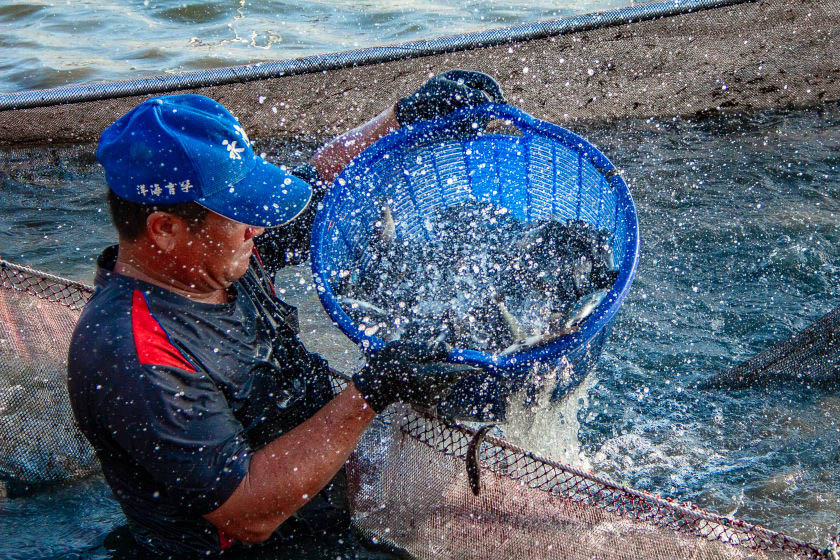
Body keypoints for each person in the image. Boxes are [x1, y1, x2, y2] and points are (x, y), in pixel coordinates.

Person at [67, 70, 504, 558]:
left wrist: (401, 118)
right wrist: (374, 390)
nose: (257, 225)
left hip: (322, 514)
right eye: (239, 212)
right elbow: (247, 510)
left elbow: (324, 181)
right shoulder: (134, 355)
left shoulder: (212, 254)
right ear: (164, 229)